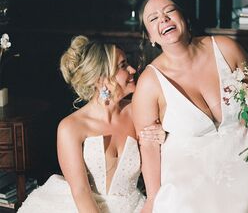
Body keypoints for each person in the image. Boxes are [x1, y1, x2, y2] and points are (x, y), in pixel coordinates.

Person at [132, 0, 248, 213]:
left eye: (169, 11)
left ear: (184, 18)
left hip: (247, 154)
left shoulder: (226, 49)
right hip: (192, 176)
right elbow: (148, 145)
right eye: (153, 18)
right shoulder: (149, 83)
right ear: (150, 36)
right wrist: (153, 198)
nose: (163, 19)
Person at [18, 35, 164, 213]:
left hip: (135, 207)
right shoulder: (71, 127)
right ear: (100, 78)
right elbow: (81, 191)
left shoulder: (138, 111)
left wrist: (165, 135)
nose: (132, 70)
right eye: (123, 65)